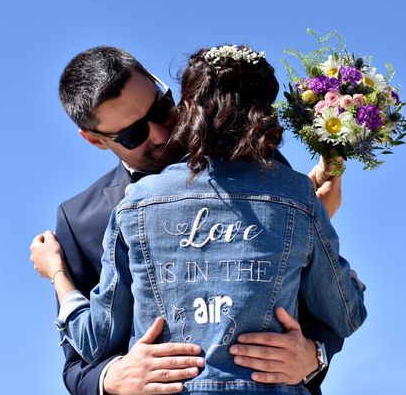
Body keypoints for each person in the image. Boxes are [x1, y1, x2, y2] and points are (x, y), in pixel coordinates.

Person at [31, 45, 365, 394]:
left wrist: (314, 357)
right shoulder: (78, 220)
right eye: (133, 135)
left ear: (160, 85)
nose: (162, 134)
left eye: (161, 108)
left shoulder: (261, 163)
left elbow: (312, 300)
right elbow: (77, 366)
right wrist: (113, 378)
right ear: (95, 140)